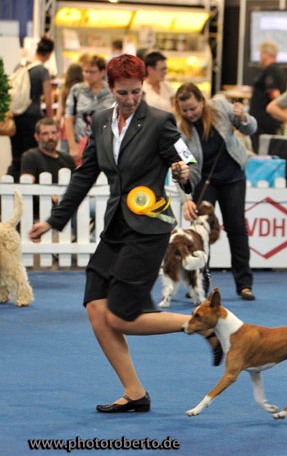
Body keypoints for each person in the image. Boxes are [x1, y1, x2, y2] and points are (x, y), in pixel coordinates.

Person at [28, 54, 220, 414]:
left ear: (143, 86)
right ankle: (134, 393)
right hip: (116, 227)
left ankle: (201, 323)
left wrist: (184, 175)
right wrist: (54, 220)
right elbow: (85, 175)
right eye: (122, 92)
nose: (130, 99)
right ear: (110, 88)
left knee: (119, 317)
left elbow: (190, 162)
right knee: (95, 308)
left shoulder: (161, 122)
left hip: (149, 229)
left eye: (136, 91)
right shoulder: (100, 121)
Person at [174, 82, 257, 301]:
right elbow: (184, 168)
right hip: (204, 181)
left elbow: (250, 129)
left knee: (236, 228)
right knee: (200, 233)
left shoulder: (220, 107)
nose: (190, 114)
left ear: (202, 101)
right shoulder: (179, 132)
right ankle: (199, 284)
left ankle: (244, 285)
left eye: (193, 108)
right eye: (185, 110)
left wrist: (243, 117)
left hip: (233, 177)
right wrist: (186, 199)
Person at [8, 35, 55, 181]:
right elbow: (48, 100)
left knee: (16, 155)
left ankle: (12, 183)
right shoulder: (42, 71)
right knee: (31, 154)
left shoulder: (20, 66)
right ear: (49, 54)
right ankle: (29, 182)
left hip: (16, 116)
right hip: (32, 118)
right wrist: (50, 120)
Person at [64, 54, 114, 165]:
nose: (87, 75)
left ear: (102, 72)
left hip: (105, 146)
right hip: (80, 145)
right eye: (85, 71)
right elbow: (68, 119)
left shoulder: (111, 92)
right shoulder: (76, 90)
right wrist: (73, 147)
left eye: (92, 72)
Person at [248, 41, 287, 152]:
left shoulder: (271, 70)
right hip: (266, 122)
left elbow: (275, 94)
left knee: (261, 151)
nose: (260, 57)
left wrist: (283, 116)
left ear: (266, 54)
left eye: (261, 53)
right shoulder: (279, 70)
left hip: (264, 123)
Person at [56, 63, 84, 152]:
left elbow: (59, 113)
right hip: (81, 126)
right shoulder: (83, 90)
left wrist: (57, 124)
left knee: (64, 153)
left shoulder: (64, 90)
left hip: (66, 126)